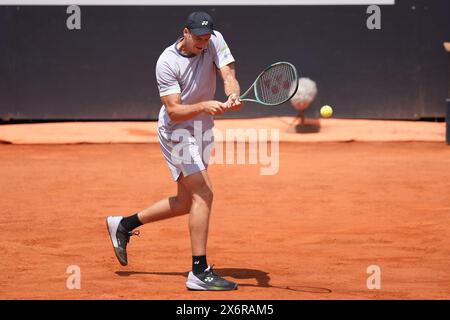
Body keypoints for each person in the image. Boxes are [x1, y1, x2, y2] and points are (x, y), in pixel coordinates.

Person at [106, 11, 243, 291]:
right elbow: (174, 110)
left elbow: (228, 71)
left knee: (186, 202)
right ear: (185, 33)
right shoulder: (167, 61)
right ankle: (198, 272)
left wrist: (232, 92)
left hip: (203, 130)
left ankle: (123, 224)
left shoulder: (214, 40)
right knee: (204, 193)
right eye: (198, 39)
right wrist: (205, 105)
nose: (203, 44)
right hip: (177, 132)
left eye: (206, 38)